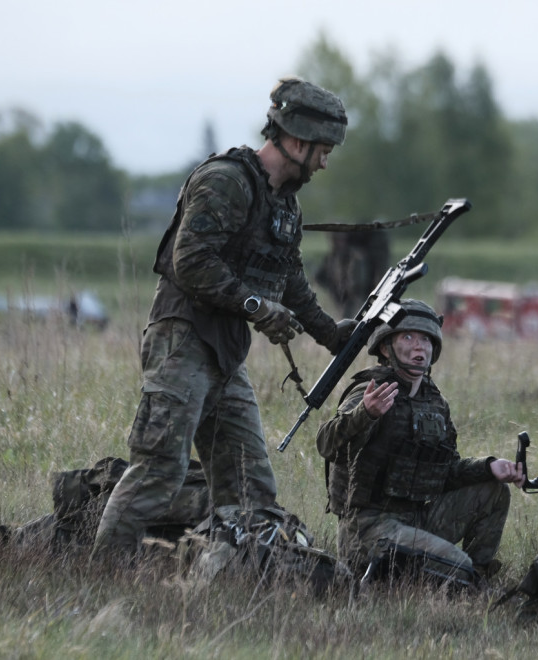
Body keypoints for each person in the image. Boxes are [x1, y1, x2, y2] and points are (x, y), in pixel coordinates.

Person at [91, 77, 355, 562]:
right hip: (182, 341)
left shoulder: (285, 206)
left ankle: (230, 580)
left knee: (252, 488)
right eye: (322, 150)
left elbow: (288, 277)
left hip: (225, 354)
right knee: (157, 471)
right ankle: (103, 575)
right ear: (295, 142)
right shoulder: (225, 181)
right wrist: (254, 307)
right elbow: (189, 261)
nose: (324, 161)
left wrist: (331, 333)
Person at [315, 299, 525, 586]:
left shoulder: (434, 402)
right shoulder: (371, 392)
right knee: (458, 567)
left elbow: (446, 472)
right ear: (386, 347)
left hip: (416, 519)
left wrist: (489, 467)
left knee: (493, 490)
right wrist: (365, 414)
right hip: (367, 529)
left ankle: (478, 581)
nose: (419, 347)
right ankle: (463, 582)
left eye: (426, 339)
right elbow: (326, 444)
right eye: (408, 337)